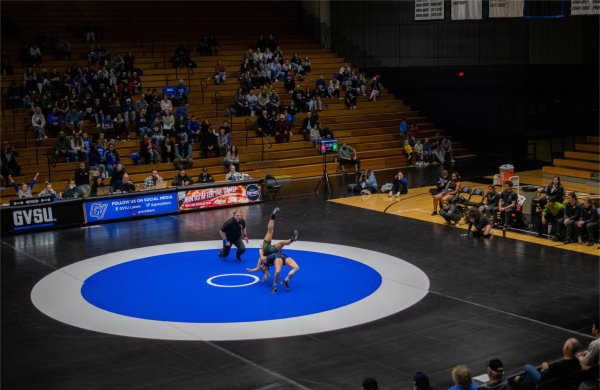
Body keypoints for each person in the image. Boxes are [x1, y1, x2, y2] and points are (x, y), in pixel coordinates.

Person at [577, 322, 599, 390]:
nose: (592, 328)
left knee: (580, 366)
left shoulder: (596, 343)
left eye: (593, 327)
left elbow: (584, 362)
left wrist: (579, 356)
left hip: (596, 379)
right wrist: (587, 352)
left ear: (597, 330)